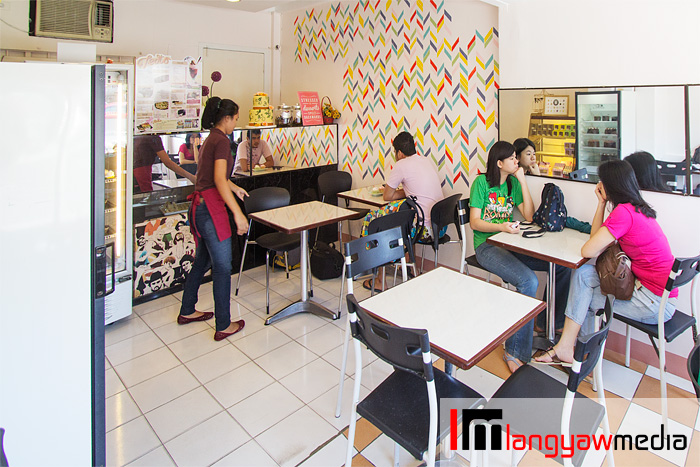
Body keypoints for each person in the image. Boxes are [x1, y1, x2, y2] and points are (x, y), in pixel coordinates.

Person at [536, 160, 677, 365]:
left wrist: (602, 204)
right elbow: (595, 240)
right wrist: (601, 204)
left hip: (654, 303)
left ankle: (581, 355)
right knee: (583, 274)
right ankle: (569, 347)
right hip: (653, 293)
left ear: (610, 185)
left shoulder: (624, 214)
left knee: (583, 298)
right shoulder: (636, 209)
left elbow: (588, 249)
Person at [470, 141, 571, 373]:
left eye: (517, 158)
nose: (517, 162)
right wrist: (502, 227)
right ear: (499, 163)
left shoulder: (512, 184)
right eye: (513, 158)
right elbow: (475, 222)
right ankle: (514, 351)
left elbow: (528, 215)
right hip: (486, 246)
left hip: (510, 243)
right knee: (529, 281)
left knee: (562, 267)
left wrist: (523, 180)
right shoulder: (481, 184)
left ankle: (546, 325)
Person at [177, 97, 250, 341]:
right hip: (210, 208)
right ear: (227, 118)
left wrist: (234, 187)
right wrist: (238, 214)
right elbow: (218, 180)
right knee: (222, 266)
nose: (235, 123)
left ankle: (187, 310)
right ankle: (224, 324)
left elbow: (212, 175)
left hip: (199, 206)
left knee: (202, 261)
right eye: (236, 118)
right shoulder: (221, 141)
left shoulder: (210, 138)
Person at [360, 131, 444, 291]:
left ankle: (379, 280)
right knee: (404, 217)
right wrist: (405, 192)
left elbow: (387, 196)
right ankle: (410, 267)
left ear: (399, 152)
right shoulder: (424, 160)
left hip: (421, 229)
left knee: (374, 221)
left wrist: (396, 192)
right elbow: (412, 193)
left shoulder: (401, 165)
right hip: (437, 227)